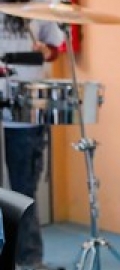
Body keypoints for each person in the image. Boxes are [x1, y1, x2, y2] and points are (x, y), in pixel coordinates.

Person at [0, 0, 64, 269]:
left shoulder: (40, 7)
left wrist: (45, 51)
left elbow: (56, 49)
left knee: (24, 191)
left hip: (25, 111)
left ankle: (30, 258)